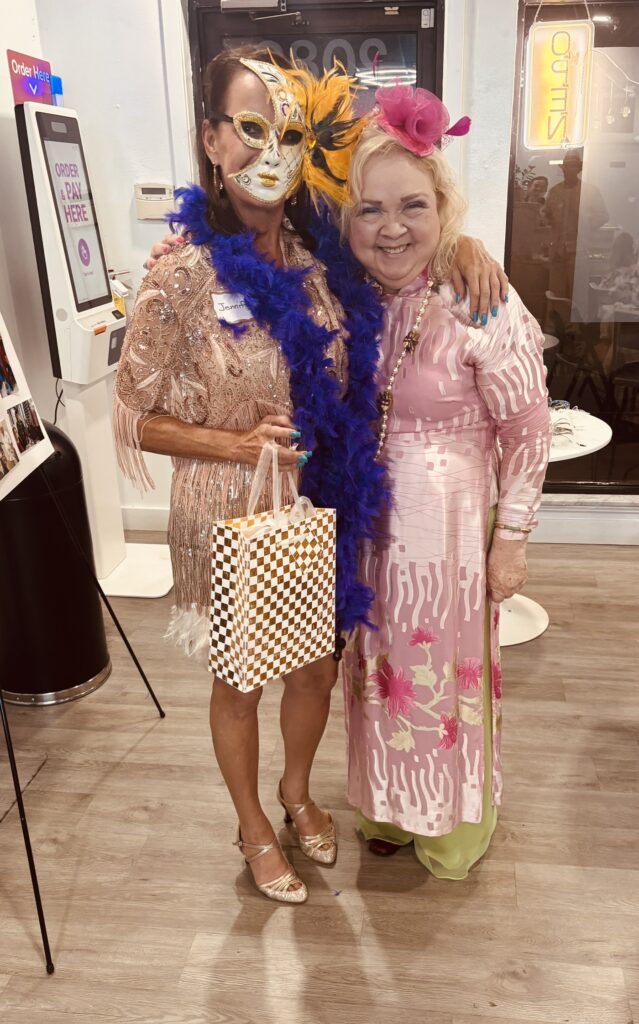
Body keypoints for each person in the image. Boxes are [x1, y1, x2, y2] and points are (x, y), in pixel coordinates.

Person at [121, 49, 507, 905]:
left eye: (290, 134)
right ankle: (252, 824)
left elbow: (401, 241)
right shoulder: (181, 273)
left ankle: (297, 795)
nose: (272, 152)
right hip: (228, 509)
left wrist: (466, 244)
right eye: (250, 128)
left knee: (315, 670)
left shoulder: (321, 255)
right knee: (240, 682)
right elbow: (133, 414)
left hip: (318, 505)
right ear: (212, 140)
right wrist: (228, 443)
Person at [339, 87, 551, 878]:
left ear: (443, 208)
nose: (390, 227)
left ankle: (450, 827)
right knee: (377, 674)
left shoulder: (480, 299)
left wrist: (512, 540)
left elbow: (527, 428)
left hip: (451, 543)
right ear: (346, 220)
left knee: (439, 676)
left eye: (412, 206)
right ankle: (385, 808)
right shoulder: (345, 295)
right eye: (369, 209)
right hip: (368, 535)